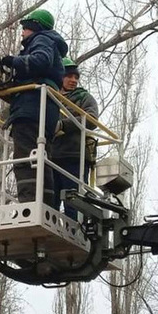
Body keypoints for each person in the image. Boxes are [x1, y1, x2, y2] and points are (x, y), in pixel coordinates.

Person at [0, 9, 68, 205]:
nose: (22, 33)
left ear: (35, 26)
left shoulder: (41, 40)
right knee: (42, 160)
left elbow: (39, 61)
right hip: (44, 110)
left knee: (25, 159)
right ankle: (45, 204)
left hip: (32, 109)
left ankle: (29, 204)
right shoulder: (51, 43)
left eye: (25, 28)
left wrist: (12, 61)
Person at [52, 57, 99, 220]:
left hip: (74, 156)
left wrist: (63, 125)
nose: (73, 80)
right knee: (51, 201)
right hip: (51, 156)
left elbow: (92, 120)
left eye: (76, 77)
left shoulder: (84, 98)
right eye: (69, 76)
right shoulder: (50, 96)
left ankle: (76, 233)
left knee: (73, 201)